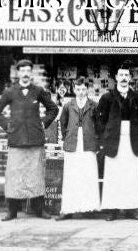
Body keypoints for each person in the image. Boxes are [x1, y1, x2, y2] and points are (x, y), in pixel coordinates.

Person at [0, 59, 59, 221]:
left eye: (29, 71)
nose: (26, 74)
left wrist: (43, 122)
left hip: (35, 140)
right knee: (14, 176)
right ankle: (12, 211)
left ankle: (39, 209)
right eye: (23, 71)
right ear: (18, 73)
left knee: (36, 175)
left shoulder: (38, 91)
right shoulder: (10, 92)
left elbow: (53, 109)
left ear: (31, 73)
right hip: (16, 141)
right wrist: (8, 126)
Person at [96, 61, 138, 221]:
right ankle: (113, 210)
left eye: (127, 75)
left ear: (130, 78)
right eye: (121, 75)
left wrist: (136, 133)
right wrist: (105, 138)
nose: (124, 78)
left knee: (131, 175)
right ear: (116, 77)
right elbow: (100, 120)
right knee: (114, 175)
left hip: (131, 139)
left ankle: (131, 210)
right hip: (113, 140)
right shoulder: (107, 97)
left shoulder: (137, 97)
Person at [57, 78, 100, 220]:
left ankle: (89, 208)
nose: (81, 92)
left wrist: (97, 141)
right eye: (78, 89)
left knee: (88, 174)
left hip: (88, 142)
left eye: (83, 89)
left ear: (87, 89)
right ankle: (68, 209)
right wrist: (67, 138)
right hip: (73, 143)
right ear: (74, 90)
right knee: (72, 176)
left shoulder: (94, 105)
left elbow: (99, 124)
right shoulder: (68, 105)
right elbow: (63, 124)